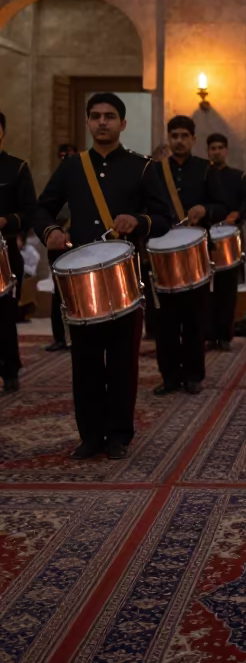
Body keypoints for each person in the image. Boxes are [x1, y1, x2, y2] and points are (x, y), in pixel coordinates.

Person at [34, 94, 172, 459]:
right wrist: (49, 231)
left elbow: (165, 218)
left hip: (125, 277)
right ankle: (90, 435)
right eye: (95, 116)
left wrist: (138, 222)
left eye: (110, 116)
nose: (102, 122)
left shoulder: (142, 167)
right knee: (86, 359)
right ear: (88, 122)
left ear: (123, 124)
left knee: (123, 358)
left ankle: (118, 435)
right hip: (81, 281)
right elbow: (42, 208)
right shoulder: (71, 167)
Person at [152, 115, 226, 394]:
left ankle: (194, 374)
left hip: (196, 254)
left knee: (195, 318)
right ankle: (169, 376)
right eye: (174, 136)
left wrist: (206, 210)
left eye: (184, 136)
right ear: (169, 139)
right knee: (165, 322)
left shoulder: (207, 170)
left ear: (193, 139)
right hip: (163, 255)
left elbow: (221, 205)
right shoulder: (156, 170)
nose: (179, 141)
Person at [0, 112, 37, 393]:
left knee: (4, 315)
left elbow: (30, 213)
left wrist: (6, 221)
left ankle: (10, 369)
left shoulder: (17, 168)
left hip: (5, 249)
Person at [206, 132, 246, 351]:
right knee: (206, 290)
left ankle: (224, 335)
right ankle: (208, 334)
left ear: (226, 151)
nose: (216, 152)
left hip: (230, 239)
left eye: (219, 148)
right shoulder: (203, 175)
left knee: (227, 289)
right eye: (212, 148)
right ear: (208, 151)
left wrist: (237, 214)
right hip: (205, 240)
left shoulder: (238, 177)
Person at [46, 142, 78, 352]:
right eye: (62, 155)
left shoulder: (82, 181)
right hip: (58, 244)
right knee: (58, 293)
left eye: (69, 155)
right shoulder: (56, 182)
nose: (65, 158)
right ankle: (59, 336)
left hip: (76, 242)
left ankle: (75, 335)